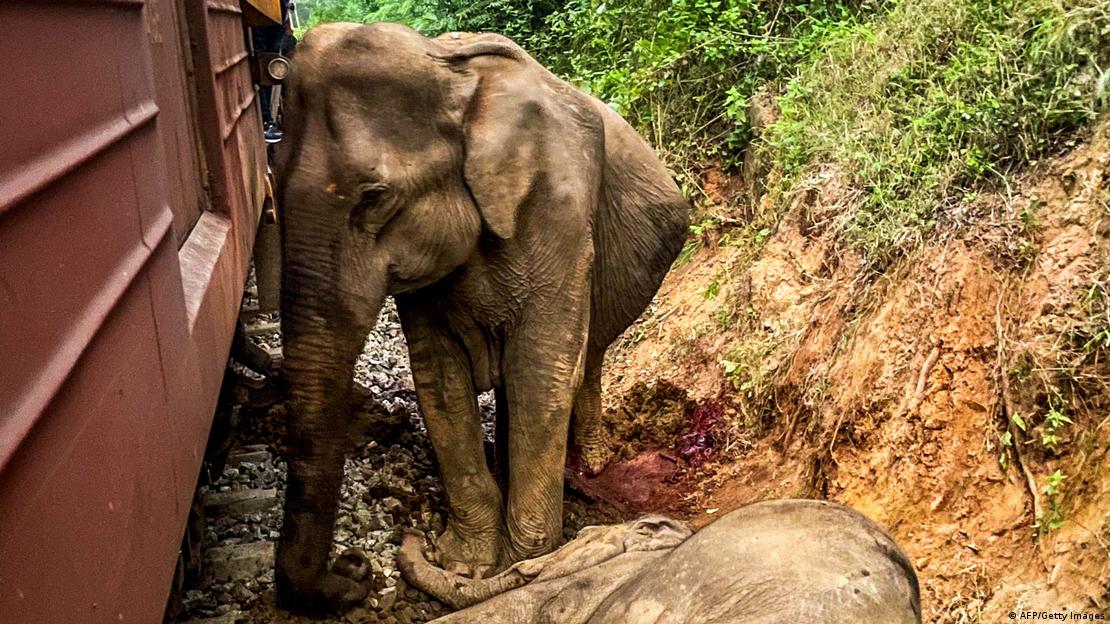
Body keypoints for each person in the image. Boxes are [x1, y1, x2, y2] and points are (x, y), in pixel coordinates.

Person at [253, 1, 297, 143]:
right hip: (261, 10)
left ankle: (268, 119)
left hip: (277, 13)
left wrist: (287, 22)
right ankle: (266, 119)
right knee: (264, 62)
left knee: (270, 63)